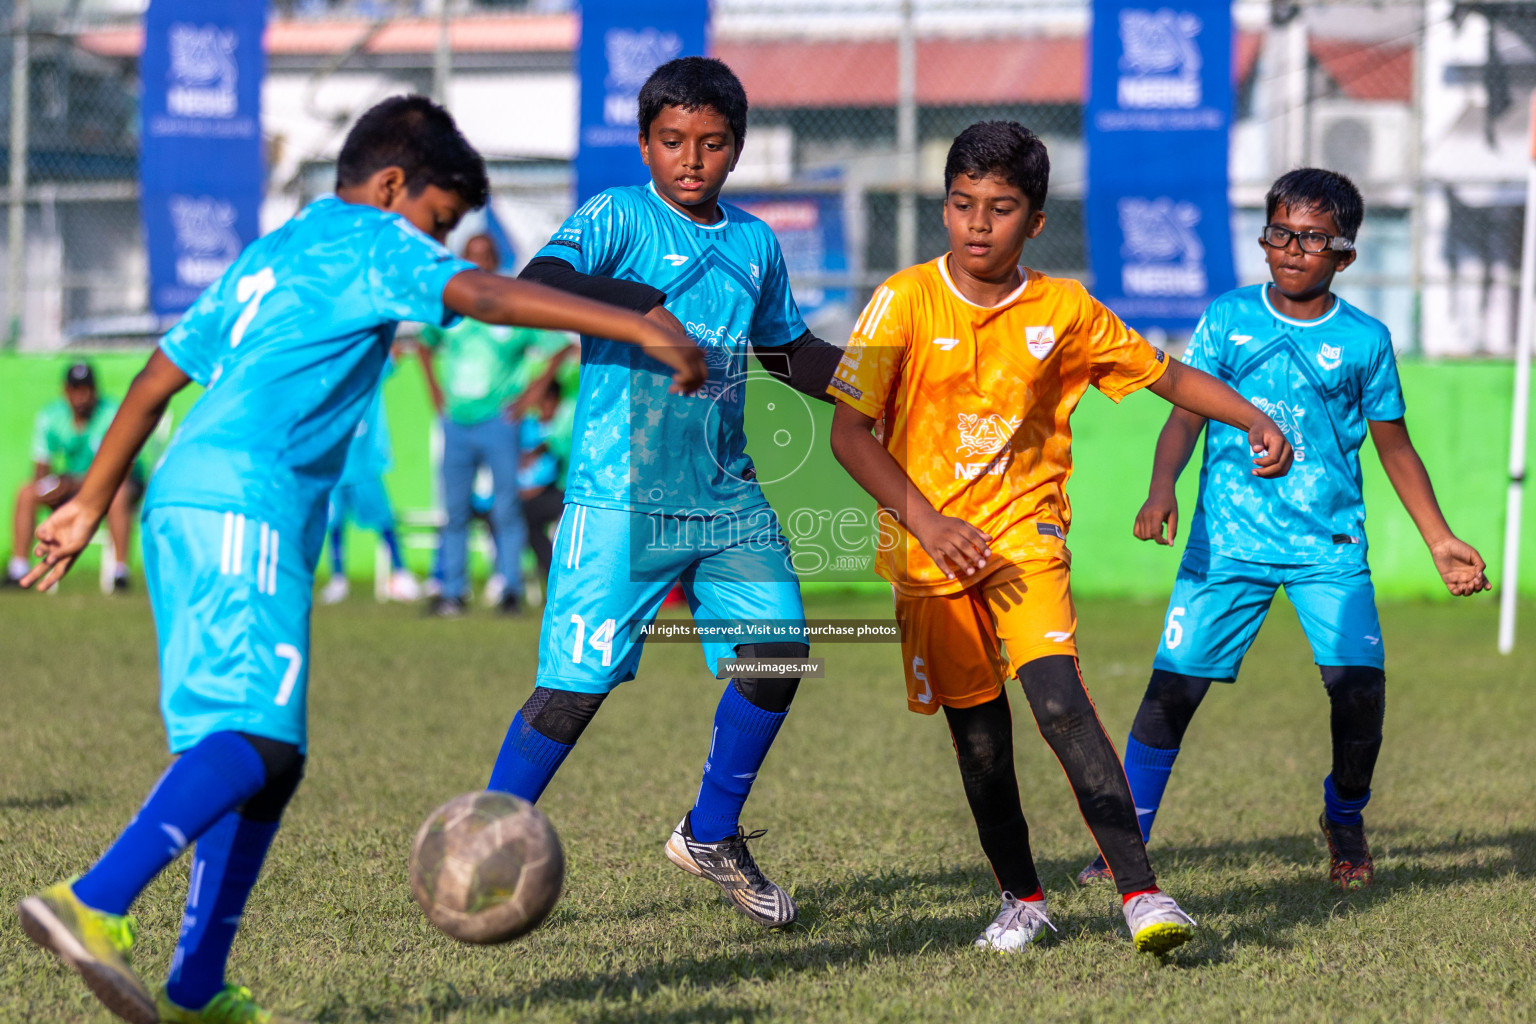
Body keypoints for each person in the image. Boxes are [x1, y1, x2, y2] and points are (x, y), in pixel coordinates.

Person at [14, 94, 700, 1024]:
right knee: (255, 742)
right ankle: (92, 903)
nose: (442, 247)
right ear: (391, 187)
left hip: (195, 503)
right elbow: (488, 298)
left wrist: (94, 501)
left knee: (268, 758)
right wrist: (639, 325)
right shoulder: (373, 242)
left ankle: (197, 985)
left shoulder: (276, 251)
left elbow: (155, 376)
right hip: (243, 506)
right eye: (440, 222)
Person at [827, 121, 1295, 954]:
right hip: (930, 556)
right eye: (963, 204)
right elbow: (850, 434)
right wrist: (928, 523)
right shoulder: (901, 299)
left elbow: (1167, 376)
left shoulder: (1066, 310)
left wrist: (1254, 416)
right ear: (944, 207)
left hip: (1023, 541)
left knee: (1060, 704)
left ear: (1034, 221)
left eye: (1000, 208)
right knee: (979, 745)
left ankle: (1144, 896)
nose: (978, 223)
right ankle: (1023, 900)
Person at [485, 56, 844, 928]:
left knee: (779, 655)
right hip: (620, 496)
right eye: (674, 141)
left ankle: (710, 832)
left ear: (737, 150)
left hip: (729, 499)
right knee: (574, 691)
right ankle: (486, 838)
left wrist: (888, 385)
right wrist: (649, 313)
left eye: (713, 144)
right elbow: (539, 288)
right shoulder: (615, 215)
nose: (693, 159)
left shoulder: (755, 243)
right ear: (645, 143)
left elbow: (786, 352)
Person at [1075, 169, 1491, 893]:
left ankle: (1345, 817)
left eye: (1312, 239)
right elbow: (1184, 412)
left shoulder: (1365, 341)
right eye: (1279, 233)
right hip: (1227, 545)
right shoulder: (1230, 317)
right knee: (1172, 694)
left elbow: (1395, 447)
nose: (1292, 250)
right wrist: (1161, 485)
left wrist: (1439, 538)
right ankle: (1125, 843)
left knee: (1359, 692)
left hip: (1328, 550)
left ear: (1345, 254)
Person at [417, 234, 573, 617]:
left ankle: (510, 590)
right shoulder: (451, 306)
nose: (477, 265)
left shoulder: (511, 303)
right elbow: (423, 342)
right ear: (462, 261)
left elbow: (560, 347)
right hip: (456, 421)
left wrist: (531, 394)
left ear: (495, 261)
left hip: (499, 422)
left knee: (506, 508)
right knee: (454, 511)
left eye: (485, 258)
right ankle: (453, 591)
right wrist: (434, 392)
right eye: (471, 258)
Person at [8, 362, 139, 591]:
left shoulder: (112, 414)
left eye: (87, 389)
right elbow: (40, 472)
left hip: (111, 487)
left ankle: (119, 574)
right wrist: (53, 486)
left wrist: (77, 484)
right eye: (75, 390)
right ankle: (18, 570)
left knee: (119, 494)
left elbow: (123, 471)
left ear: (96, 390)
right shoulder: (51, 417)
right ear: (65, 392)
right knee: (27, 492)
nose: (82, 397)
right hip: (72, 487)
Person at [318, 360, 420, 605]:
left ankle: (401, 573)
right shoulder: (326, 372)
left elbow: (395, 351)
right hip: (334, 463)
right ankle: (338, 578)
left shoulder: (370, 364)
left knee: (384, 520)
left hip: (365, 463)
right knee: (333, 524)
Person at [515, 376, 572, 584]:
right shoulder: (531, 424)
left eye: (548, 401)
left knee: (528, 517)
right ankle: (549, 576)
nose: (544, 407)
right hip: (549, 491)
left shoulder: (568, 417)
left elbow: (559, 448)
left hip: (568, 491)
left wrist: (537, 452)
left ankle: (554, 577)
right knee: (523, 516)